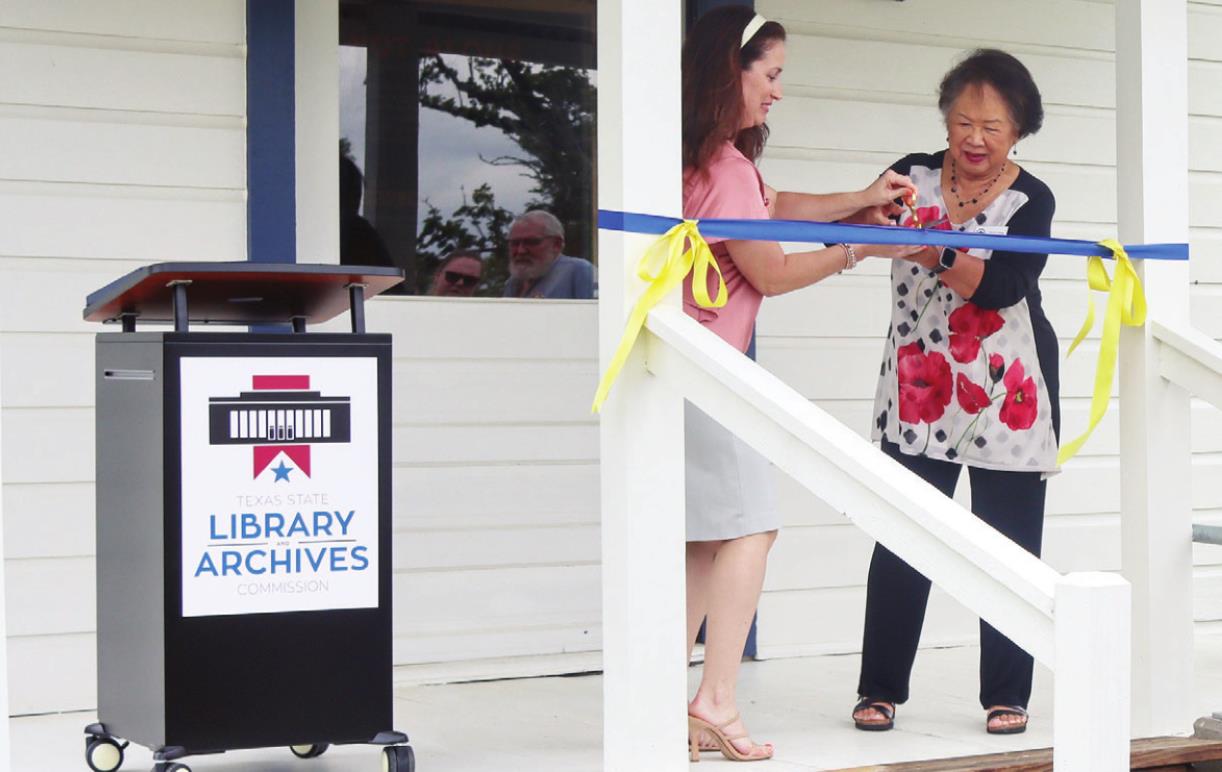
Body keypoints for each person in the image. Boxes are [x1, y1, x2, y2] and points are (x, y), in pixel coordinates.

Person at [680, 8, 923, 762]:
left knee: (703, 542)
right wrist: (859, 248)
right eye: (772, 74)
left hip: (682, 368)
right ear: (730, 71)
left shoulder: (707, 160)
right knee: (752, 528)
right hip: (711, 371)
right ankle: (716, 701)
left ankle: (665, 698)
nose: (778, 92)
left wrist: (856, 202)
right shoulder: (725, 168)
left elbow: (775, 208)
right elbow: (772, 270)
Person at [852, 49, 1058, 737]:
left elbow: (1001, 288)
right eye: (963, 121)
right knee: (903, 539)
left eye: (992, 127)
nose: (974, 138)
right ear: (945, 119)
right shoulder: (908, 176)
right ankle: (880, 689)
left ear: (1019, 130)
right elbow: (861, 227)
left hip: (1009, 390)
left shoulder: (1032, 199)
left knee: (1008, 550)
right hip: (918, 381)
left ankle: (1007, 694)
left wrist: (933, 250)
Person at [502, 210, 594, 299]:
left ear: (556, 244)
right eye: (514, 243)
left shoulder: (580, 271)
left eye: (531, 242)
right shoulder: (513, 283)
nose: (520, 251)